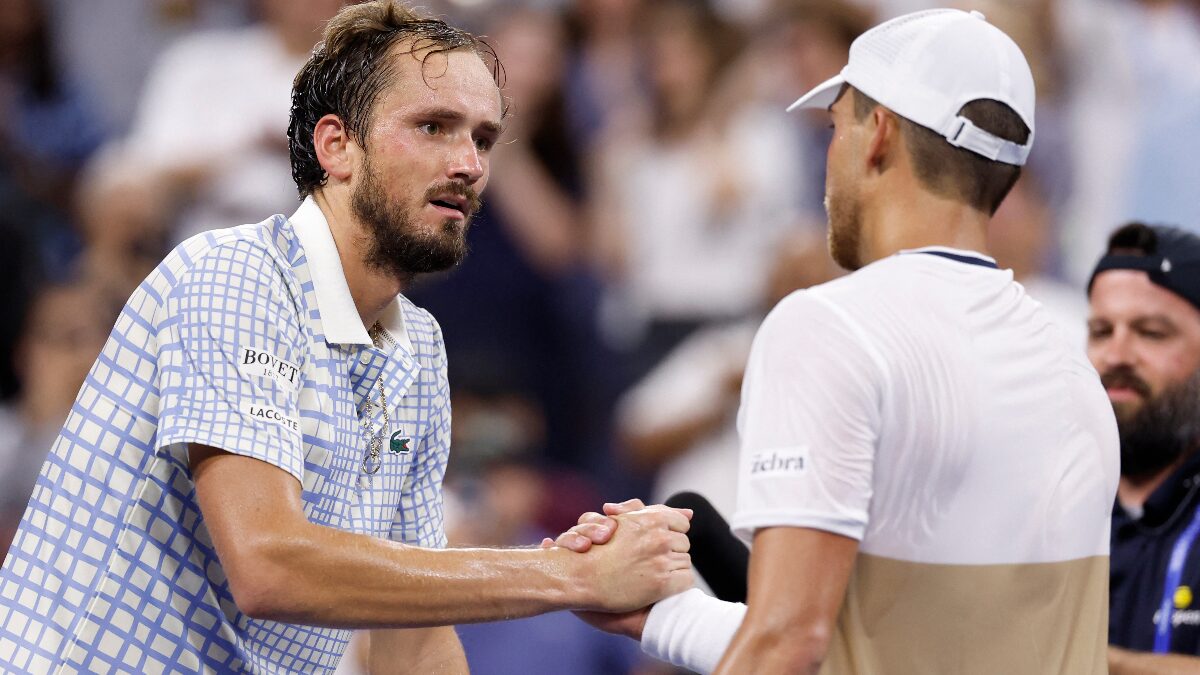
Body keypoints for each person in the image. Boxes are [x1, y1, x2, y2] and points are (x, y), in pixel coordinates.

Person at [0, 2, 693, 672]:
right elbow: (268, 564)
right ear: (336, 145)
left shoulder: (419, 347)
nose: (470, 164)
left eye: (483, 139)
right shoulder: (234, 273)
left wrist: (565, 575)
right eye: (433, 126)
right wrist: (569, 574)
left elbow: (413, 643)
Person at [557, 8, 1119, 674]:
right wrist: (666, 612)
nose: (826, 161)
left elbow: (788, 646)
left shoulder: (827, 327)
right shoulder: (1075, 366)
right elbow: (910, 649)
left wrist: (658, 610)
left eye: (834, 127)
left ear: (877, 134)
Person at [1087, 223, 1200, 674]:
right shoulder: (1051, 502)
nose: (1116, 355)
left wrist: (1096, 664)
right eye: (1100, 331)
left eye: (1151, 332)